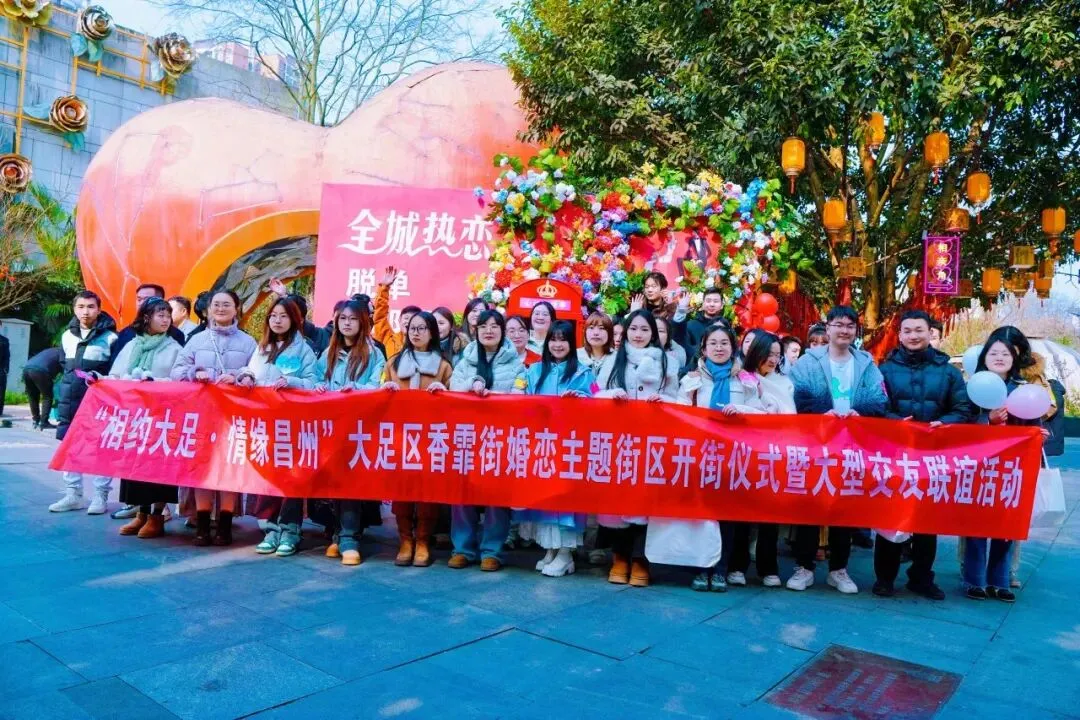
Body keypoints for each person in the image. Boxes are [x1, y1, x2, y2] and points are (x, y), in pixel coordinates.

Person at [787, 305, 887, 594]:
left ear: (856, 331)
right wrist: (823, 414)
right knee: (811, 505)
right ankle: (804, 567)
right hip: (814, 444)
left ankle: (838, 569)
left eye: (850, 326)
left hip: (852, 446)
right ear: (827, 327)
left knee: (845, 507)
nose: (844, 330)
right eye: (838, 324)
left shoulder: (867, 364)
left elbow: (879, 399)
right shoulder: (807, 362)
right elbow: (796, 396)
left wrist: (859, 412)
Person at [873, 310, 972, 600]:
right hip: (895, 454)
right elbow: (875, 406)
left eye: (919, 330)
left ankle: (921, 577)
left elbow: (963, 409)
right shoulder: (884, 370)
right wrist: (894, 422)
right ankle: (885, 578)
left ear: (930, 333)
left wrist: (945, 423)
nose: (913, 336)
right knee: (890, 515)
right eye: (907, 331)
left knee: (928, 520)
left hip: (934, 456)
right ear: (899, 335)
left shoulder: (949, 372)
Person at [677, 323, 766, 591]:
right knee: (701, 515)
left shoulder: (746, 380)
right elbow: (679, 413)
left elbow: (761, 413)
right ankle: (700, 568)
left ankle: (720, 569)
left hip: (733, 457)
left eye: (724, 343)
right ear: (703, 349)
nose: (719, 348)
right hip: (700, 455)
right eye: (713, 343)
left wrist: (741, 410)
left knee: (726, 516)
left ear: (733, 347)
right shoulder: (692, 379)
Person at [596, 309, 680, 587]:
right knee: (618, 500)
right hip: (619, 441)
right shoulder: (613, 360)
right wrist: (611, 396)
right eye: (633, 329)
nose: (638, 334)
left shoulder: (667, 362)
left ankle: (641, 559)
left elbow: (677, 398)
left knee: (646, 501)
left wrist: (664, 401)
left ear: (653, 333)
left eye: (645, 329)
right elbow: (596, 393)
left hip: (652, 441)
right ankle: (619, 557)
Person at [170, 290, 258, 546]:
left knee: (229, 467)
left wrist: (241, 377)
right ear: (208, 310)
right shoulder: (196, 341)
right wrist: (194, 372)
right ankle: (202, 524)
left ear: (236, 308)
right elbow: (177, 371)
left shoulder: (248, 342)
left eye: (226, 304)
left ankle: (225, 525)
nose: (220, 309)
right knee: (203, 468)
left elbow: (257, 372)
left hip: (234, 416)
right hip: (202, 414)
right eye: (216, 304)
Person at [962, 336, 1042, 603]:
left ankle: (1000, 580)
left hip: (1011, 467)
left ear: (1014, 359)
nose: (999, 358)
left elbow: (1035, 423)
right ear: (984, 357)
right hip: (978, 466)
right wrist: (987, 420)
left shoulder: (1023, 389)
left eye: (1005, 354)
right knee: (976, 525)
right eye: (994, 353)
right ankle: (974, 580)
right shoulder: (971, 387)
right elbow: (961, 423)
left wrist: (1038, 435)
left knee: (1006, 524)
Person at [237, 297, 319, 557]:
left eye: (283, 316)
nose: (277, 320)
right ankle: (271, 529)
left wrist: (292, 382)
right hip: (265, 424)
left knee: (291, 479)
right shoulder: (262, 347)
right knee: (269, 476)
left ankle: (290, 531)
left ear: (294, 319)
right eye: (273, 315)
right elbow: (252, 371)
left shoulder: (304, 349)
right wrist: (246, 376)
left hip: (292, 426)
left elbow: (314, 382)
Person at [517, 320, 597, 577]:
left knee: (566, 500)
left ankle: (565, 552)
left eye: (563, 339)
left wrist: (581, 400)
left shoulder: (584, 373)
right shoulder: (533, 371)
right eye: (553, 339)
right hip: (542, 445)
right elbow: (520, 402)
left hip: (570, 447)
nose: (558, 344)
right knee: (545, 497)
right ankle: (551, 549)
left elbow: (597, 404)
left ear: (571, 343)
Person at [98, 297, 182, 538]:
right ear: (146, 318)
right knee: (137, 468)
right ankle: (141, 513)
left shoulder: (174, 347)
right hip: (135, 418)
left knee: (160, 468)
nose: (166, 320)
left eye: (168, 315)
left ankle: (157, 516)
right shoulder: (132, 345)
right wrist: (102, 380)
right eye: (160, 315)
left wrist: (154, 383)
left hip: (162, 418)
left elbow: (180, 380)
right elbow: (117, 375)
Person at [447, 310, 525, 571]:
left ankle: (492, 551)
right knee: (462, 494)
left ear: (503, 331)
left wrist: (495, 399)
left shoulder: (515, 364)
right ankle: (462, 549)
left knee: (496, 497)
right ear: (476, 330)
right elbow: (454, 391)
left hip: (499, 438)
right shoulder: (465, 360)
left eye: (494, 326)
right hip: (467, 437)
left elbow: (520, 396)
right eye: (483, 326)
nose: (488, 330)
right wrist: (472, 384)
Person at [314, 299, 386, 566]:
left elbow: (378, 385)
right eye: (343, 318)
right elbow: (316, 379)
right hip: (332, 426)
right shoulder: (328, 352)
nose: (347, 323)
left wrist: (356, 389)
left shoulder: (374, 353)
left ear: (363, 322)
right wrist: (318, 387)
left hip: (360, 428)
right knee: (333, 483)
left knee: (352, 483)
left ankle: (349, 539)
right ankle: (337, 534)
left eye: (353, 319)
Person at [382, 311, 453, 567]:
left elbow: (456, 400)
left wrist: (445, 392)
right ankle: (405, 540)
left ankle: (423, 540)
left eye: (422, 328)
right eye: (412, 327)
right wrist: (385, 390)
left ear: (432, 332)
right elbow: (379, 392)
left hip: (431, 438)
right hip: (400, 436)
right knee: (401, 489)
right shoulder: (393, 363)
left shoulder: (444, 366)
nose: (416, 332)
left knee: (427, 491)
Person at [727, 331, 793, 589]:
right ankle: (737, 565)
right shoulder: (741, 377)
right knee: (740, 513)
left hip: (774, 453)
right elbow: (736, 411)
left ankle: (768, 567)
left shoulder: (785, 383)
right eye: (769, 354)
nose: (773, 360)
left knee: (769, 514)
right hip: (744, 452)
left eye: (778, 355)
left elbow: (788, 416)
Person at [49, 291, 118, 514]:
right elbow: (64, 366)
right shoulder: (67, 336)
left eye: (90, 307)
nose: (85, 311)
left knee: (101, 447)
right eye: (80, 307)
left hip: (99, 402)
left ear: (99, 309)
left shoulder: (111, 338)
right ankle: (73, 495)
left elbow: (115, 371)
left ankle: (100, 495)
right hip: (69, 399)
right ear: (74, 309)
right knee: (70, 446)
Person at [374, 266, 420, 361]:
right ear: (399, 320)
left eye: (413, 319)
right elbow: (379, 317)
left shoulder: (425, 345)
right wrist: (384, 288)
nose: (409, 322)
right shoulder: (388, 339)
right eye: (406, 318)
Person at [682, 288, 726, 370]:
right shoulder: (691, 325)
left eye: (716, 301)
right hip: (695, 369)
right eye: (708, 301)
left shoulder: (726, 327)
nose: (711, 304)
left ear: (722, 305)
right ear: (703, 304)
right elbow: (685, 350)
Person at [22, 346, 62, 430]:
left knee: (33, 396)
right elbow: (66, 370)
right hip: (41, 371)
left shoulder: (51, 350)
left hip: (27, 369)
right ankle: (44, 422)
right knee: (47, 397)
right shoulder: (63, 353)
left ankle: (36, 420)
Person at [0, 320, 7, 416]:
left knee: (1, 391)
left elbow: (7, 356)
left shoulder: (4, 341)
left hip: (1, 369)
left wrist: (5, 369)